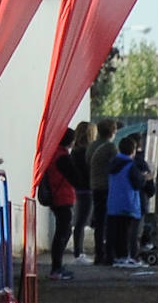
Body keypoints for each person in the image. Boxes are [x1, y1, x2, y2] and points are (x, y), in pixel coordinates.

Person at [41, 127, 81, 280]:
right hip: (63, 197)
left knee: (63, 231)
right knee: (63, 232)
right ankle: (56, 268)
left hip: (57, 196)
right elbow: (74, 177)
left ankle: (57, 267)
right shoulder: (62, 157)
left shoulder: (53, 154)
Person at [106, 135, 151, 268]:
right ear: (133, 151)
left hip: (114, 203)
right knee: (127, 233)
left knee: (116, 232)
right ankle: (126, 257)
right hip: (128, 202)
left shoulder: (113, 163)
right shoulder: (131, 165)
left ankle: (117, 257)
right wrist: (146, 178)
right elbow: (137, 184)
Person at [87, 119, 118, 265]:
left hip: (95, 185)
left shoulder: (92, 146)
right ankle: (109, 254)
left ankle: (98, 253)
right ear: (112, 132)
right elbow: (117, 166)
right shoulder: (111, 147)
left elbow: (88, 162)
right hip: (108, 187)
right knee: (110, 222)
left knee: (99, 222)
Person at [70, 122, 94, 263]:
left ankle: (78, 251)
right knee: (81, 221)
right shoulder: (87, 151)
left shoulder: (75, 151)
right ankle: (78, 252)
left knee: (80, 221)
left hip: (78, 188)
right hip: (87, 188)